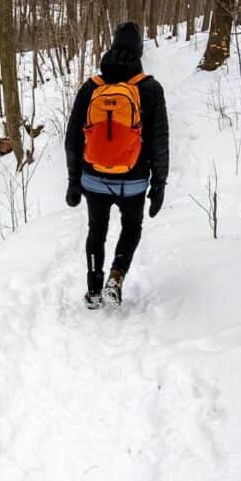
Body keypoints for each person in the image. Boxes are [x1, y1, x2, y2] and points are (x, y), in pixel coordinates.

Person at [65, 22, 169, 309]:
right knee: (131, 228)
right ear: (139, 51)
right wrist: (159, 183)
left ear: (111, 46)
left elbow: (73, 138)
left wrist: (74, 180)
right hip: (134, 180)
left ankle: (93, 289)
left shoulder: (91, 87)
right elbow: (160, 141)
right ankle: (116, 277)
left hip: (94, 178)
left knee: (96, 230)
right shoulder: (149, 88)